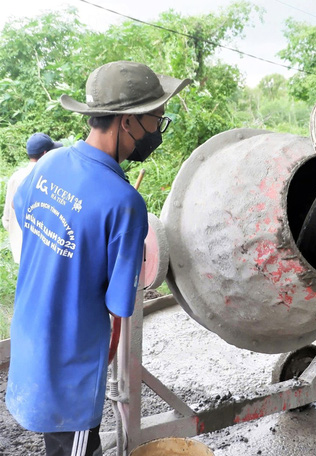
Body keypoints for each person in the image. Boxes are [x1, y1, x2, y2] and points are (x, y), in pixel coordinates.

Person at [5, 61, 190, 456]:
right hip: (71, 364)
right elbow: (119, 309)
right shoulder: (124, 203)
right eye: (156, 119)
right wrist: (102, 359)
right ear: (127, 122)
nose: (158, 129)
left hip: (29, 336)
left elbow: (28, 219)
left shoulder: (49, 164)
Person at [2, 133, 62, 263]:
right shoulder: (50, 176)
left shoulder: (15, 177)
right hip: (45, 254)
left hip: (21, 252)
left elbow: (6, 219)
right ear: (45, 154)